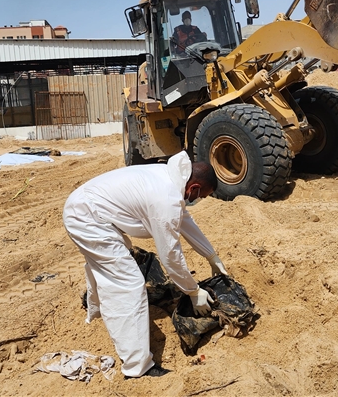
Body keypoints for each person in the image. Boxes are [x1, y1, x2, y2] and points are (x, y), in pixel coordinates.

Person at [62, 151, 227, 379]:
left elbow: (184, 220)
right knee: (127, 283)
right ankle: (137, 368)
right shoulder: (165, 198)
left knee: (108, 269)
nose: (199, 200)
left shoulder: (171, 178)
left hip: (90, 208)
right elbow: (170, 255)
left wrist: (211, 255)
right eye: (203, 196)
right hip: (87, 216)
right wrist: (192, 290)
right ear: (195, 188)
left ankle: (100, 310)